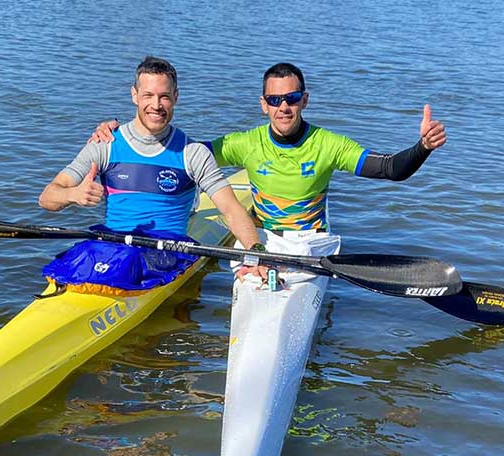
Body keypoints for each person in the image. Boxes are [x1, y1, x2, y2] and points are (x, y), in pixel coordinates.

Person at [90, 62, 447, 284]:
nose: (284, 107)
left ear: (304, 100)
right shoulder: (245, 143)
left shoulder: (329, 144)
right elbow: (178, 153)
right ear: (264, 104)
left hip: (310, 245)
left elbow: (389, 169)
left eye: (292, 98)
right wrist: (122, 132)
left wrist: (422, 148)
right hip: (262, 240)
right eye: (275, 100)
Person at [38, 56, 262, 296]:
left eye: (164, 96)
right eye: (148, 95)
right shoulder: (105, 144)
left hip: (164, 250)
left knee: (128, 261)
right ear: (134, 95)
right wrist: (73, 194)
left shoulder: (192, 153)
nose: (156, 104)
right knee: (81, 256)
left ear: (176, 97)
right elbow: (47, 197)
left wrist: (255, 253)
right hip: (111, 245)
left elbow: (231, 209)